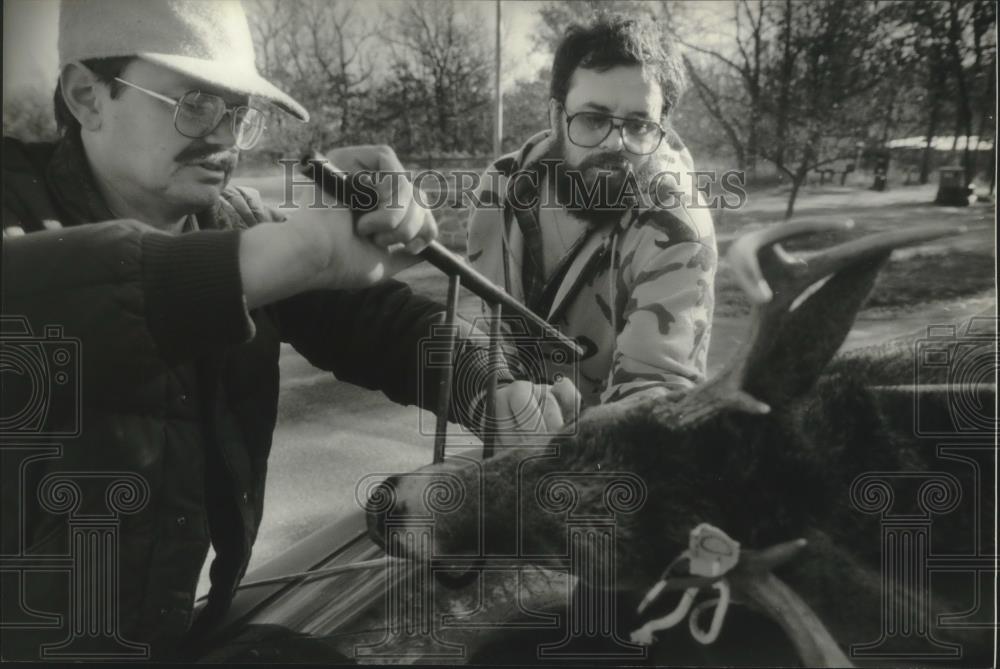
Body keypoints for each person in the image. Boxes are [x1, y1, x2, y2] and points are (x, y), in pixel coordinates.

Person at [0, 0, 575, 660]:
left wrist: (492, 392)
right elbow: (58, 295)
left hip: (170, 635)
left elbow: (381, 322)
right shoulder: (15, 204)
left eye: (237, 112)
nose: (223, 138)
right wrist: (300, 252)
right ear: (85, 96)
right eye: (194, 102)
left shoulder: (233, 222)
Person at [468, 14, 718, 407]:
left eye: (639, 125)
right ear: (555, 117)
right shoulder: (501, 187)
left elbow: (652, 400)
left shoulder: (678, 226)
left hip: (607, 460)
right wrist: (499, 399)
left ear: (662, 130)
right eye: (593, 118)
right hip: (508, 439)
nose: (616, 142)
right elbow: (490, 333)